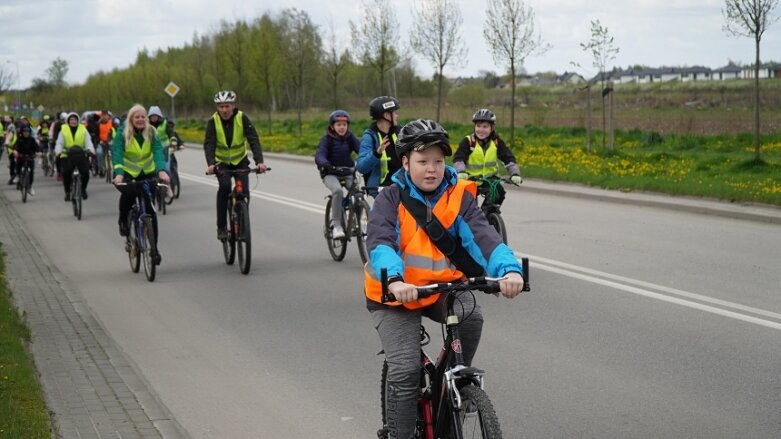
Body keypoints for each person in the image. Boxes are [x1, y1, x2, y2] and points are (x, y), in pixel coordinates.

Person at [363, 119, 525, 439]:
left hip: (442, 288)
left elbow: (483, 237)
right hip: (396, 294)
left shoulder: (458, 196)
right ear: (406, 162)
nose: (432, 169)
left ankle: (455, 391)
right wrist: (395, 280)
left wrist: (508, 270)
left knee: (472, 315)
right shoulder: (390, 199)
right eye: (423, 161)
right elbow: (381, 243)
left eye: (438, 161)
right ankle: (401, 434)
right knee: (406, 370)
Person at [203, 90, 267, 241]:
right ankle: (222, 227)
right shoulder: (213, 121)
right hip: (222, 163)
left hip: (240, 160)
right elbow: (209, 144)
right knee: (224, 188)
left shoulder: (241, 118)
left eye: (227, 106)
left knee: (244, 191)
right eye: (221, 107)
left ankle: (242, 216)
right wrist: (211, 164)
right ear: (217, 108)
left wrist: (259, 162)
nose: (224, 110)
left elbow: (253, 139)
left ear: (233, 106)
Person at [112, 104, 169, 264]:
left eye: (143, 116)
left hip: (148, 173)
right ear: (131, 119)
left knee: (151, 212)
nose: (140, 119)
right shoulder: (122, 133)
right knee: (128, 195)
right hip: (127, 174)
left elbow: (157, 151)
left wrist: (161, 170)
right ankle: (123, 220)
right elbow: (117, 152)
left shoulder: (151, 131)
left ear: (146, 118)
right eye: (136, 117)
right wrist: (119, 174)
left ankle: (154, 250)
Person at [452, 108, 522, 209]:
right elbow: (459, 158)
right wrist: (461, 172)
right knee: (469, 205)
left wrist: (515, 173)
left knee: (498, 193)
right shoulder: (469, 141)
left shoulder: (496, 142)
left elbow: (508, 158)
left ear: (492, 128)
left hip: (489, 180)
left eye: (485, 127)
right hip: (470, 179)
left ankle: (488, 215)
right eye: (478, 126)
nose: (481, 130)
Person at [315, 110, 361, 239]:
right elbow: (320, 154)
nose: (342, 127)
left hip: (347, 172)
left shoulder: (350, 138)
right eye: (339, 125)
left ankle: (355, 221)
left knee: (357, 194)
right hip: (330, 173)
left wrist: (367, 157)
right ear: (332, 126)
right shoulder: (326, 140)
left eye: (344, 125)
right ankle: (336, 226)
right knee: (337, 191)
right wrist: (324, 163)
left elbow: (361, 149)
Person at [356, 96, 402, 198]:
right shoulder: (370, 137)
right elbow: (361, 167)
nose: (396, 115)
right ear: (386, 115)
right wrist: (377, 153)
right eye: (394, 113)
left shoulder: (399, 132)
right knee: (390, 211)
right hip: (379, 186)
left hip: (400, 183)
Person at [54, 112, 95, 201]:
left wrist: (91, 150)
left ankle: (83, 189)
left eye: (75, 119)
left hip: (80, 154)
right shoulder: (63, 130)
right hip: (67, 155)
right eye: (71, 119)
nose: (73, 121)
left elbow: (88, 141)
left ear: (78, 120)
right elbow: (59, 143)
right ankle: (68, 192)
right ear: (68, 121)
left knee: (86, 173)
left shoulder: (83, 129)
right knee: (67, 172)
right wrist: (58, 151)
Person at [13, 125, 40, 195]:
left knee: (31, 173)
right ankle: (18, 176)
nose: (26, 133)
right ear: (22, 132)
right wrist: (15, 151)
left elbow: (37, 147)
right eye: (24, 131)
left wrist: (39, 152)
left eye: (27, 131)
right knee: (18, 165)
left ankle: (30, 187)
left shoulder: (32, 139)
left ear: (29, 132)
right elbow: (16, 146)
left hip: (30, 157)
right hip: (21, 156)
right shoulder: (19, 139)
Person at [97, 110, 114, 176]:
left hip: (111, 142)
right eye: (103, 115)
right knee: (99, 152)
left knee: (114, 153)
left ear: (108, 116)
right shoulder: (98, 124)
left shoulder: (112, 123)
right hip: (101, 142)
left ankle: (115, 170)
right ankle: (101, 169)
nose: (104, 117)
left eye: (106, 115)